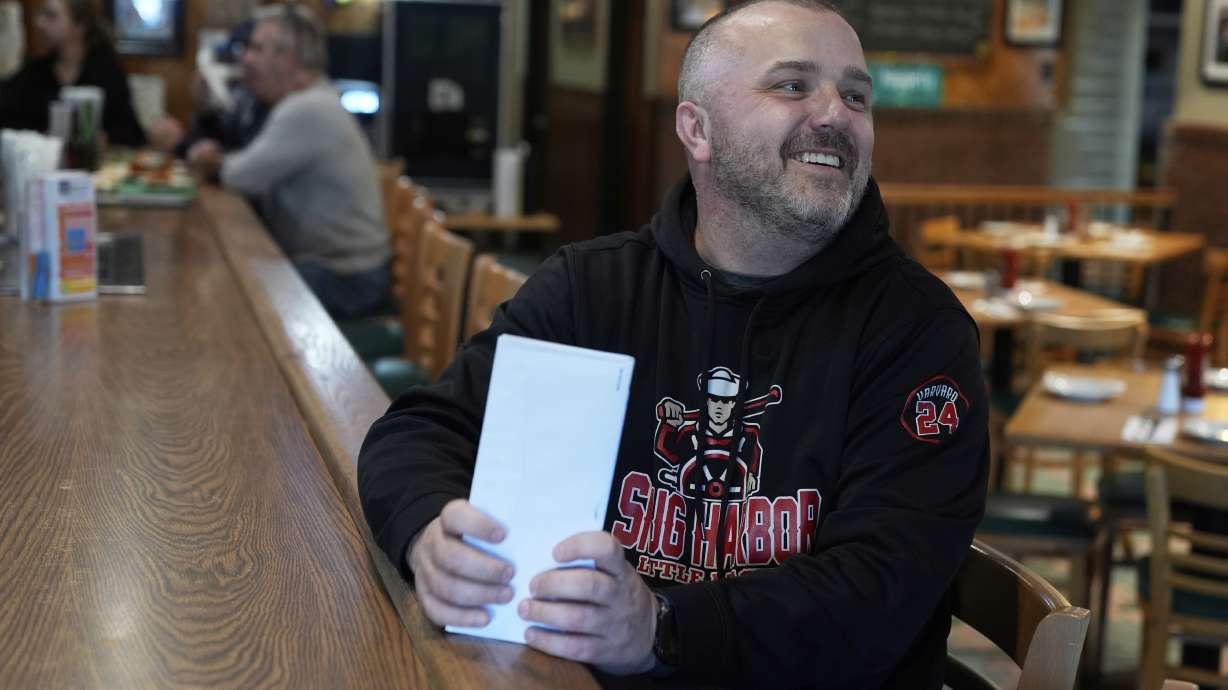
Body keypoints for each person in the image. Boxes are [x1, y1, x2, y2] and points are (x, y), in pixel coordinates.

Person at [358, 1, 988, 688]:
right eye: (793, 84)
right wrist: (429, 538)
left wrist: (660, 629)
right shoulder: (594, 289)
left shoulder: (917, 331)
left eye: (857, 94)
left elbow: (875, 595)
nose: (836, 113)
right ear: (698, 128)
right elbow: (422, 429)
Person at [188, 4, 389, 320]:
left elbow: (241, 176)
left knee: (232, 298)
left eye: (256, 49)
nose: (245, 59)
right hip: (339, 270)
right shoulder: (309, 100)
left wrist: (213, 160)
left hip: (347, 279)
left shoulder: (306, 109)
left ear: (288, 58)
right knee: (236, 281)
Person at [0, 0, 146, 147]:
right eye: (41, 14)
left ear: (79, 25)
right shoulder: (35, 70)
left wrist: (105, 139)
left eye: (51, 16)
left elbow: (131, 133)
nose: (39, 23)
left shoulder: (107, 71)